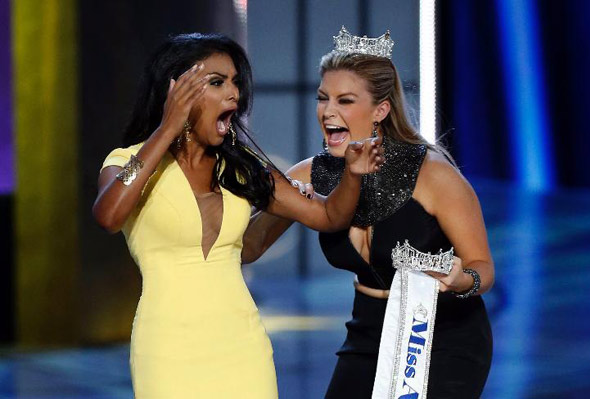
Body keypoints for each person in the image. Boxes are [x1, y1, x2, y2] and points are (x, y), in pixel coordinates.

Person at [92, 33, 383, 398]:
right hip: (165, 348)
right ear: (175, 91)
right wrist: (166, 129)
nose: (234, 94)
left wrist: (354, 174)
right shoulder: (127, 162)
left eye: (236, 83)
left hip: (242, 347)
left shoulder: (242, 170)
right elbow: (109, 214)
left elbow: (327, 217)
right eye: (217, 83)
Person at [243, 27, 494, 398]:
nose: (328, 111)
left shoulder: (434, 176)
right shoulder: (308, 175)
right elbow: (248, 247)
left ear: (380, 110)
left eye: (345, 101)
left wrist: (463, 281)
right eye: (323, 98)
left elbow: (482, 268)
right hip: (366, 332)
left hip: (442, 336)